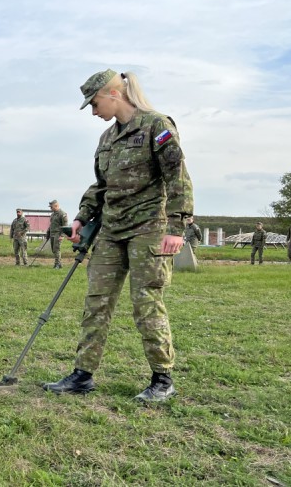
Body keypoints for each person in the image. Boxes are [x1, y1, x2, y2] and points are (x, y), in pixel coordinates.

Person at [43, 69, 194, 402]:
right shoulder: (107, 138)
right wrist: (82, 217)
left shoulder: (156, 125)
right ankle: (82, 375)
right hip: (111, 231)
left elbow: (177, 177)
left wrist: (177, 227)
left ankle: (162, 379)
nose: (93, 112)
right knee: (96, 303)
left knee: (146, 303)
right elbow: (102, 185)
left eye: (95, 104)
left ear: (113, 94)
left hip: (148, 230)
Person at [45, 200, 68, 269]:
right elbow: (51, 225)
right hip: (52, 233)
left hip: (58, 234)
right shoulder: (53, 214)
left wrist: (62, 235)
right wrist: (48, 233)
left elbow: (65, 226)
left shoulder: (62, 214)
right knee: (53, 250)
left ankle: (57, 264)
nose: (50, 208)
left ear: (56, 205)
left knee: (56, 249)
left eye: (51, 207)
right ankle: (59, 264)